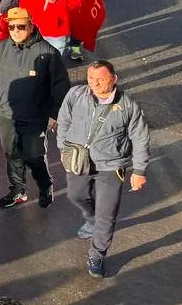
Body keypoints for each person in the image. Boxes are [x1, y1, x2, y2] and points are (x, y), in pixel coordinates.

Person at [56, 60, 153, 278]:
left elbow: (140, 138)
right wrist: (63, 148)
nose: (94, 83)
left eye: (100, 79)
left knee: (107, 214)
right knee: (75, 195)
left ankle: (98, 253)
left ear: (114, 79)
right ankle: (91, 219)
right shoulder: (76, 95)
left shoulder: (128, 105)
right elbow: (63, 120)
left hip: (111, 166)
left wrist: (139, 171)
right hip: (78, 161)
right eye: (90, 78)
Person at [0, 7, 70, 211]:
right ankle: (18, 190)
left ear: (31, 26)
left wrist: (55, 114)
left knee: (33, 156)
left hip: (36, 116)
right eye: (11, 27)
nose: (15, 31)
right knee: (11, 153)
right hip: (7, 113)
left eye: (20, 26)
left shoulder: (48, 53)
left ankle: (45, 185)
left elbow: (61, 87)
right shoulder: (0, 49)